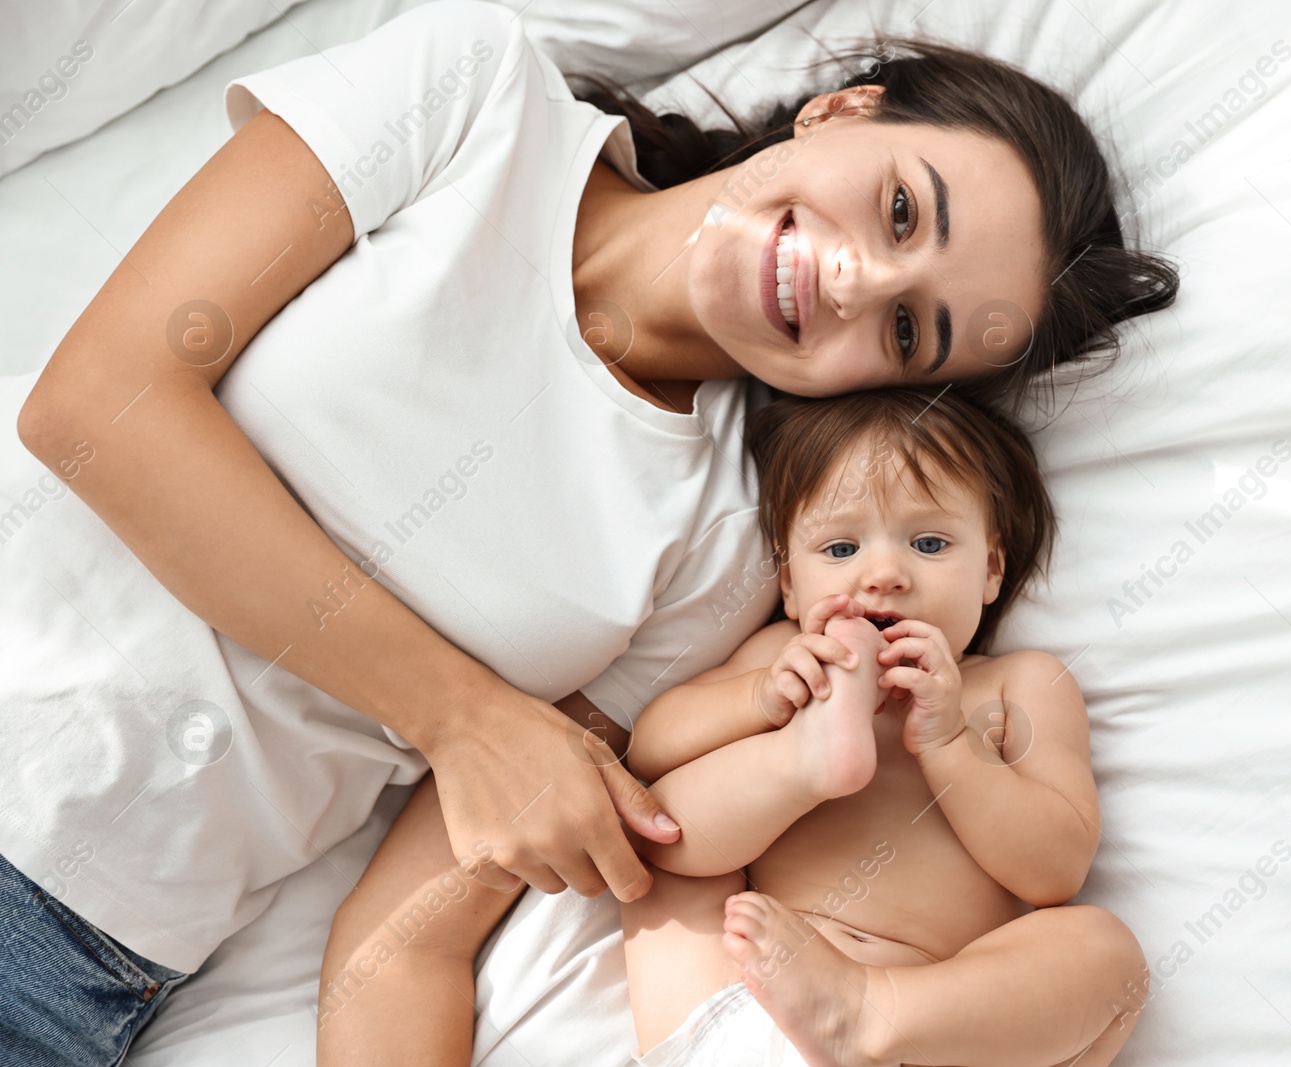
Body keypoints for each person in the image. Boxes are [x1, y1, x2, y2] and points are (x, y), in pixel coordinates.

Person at [0, 0, 1175, 1061]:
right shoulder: (475, 93)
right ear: (840, 110)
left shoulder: (724, 552)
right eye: (902, 208)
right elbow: (97, 406)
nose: (853, 283)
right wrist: (459, 714)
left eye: (912, 330)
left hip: (79, 955)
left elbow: (401, 940)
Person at [317, 388, 1143, 1067]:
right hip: (733, 1014)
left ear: (992, 567)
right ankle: (814, 763)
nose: (883, 573)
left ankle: (869, 1009)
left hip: (928, 1025)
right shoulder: (782, 656)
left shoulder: (1018, 688)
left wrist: (952, 745)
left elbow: (1054, 868)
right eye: (841, 546)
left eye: (929, 542)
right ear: (788, 581)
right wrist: (762, 707)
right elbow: (654, 743)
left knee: (1107, 958)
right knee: (658, 823)